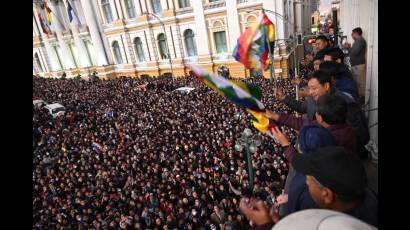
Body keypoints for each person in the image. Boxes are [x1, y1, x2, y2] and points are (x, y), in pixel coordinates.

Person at [239, 146, 378, 229]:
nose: (306, 183)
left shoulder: (340, 226)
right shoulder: (367, 203)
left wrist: (266, 226)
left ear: (327, 195)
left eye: (309, 180)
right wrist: (281, 222)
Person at [343, 27, 367, 102]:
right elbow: (354, 51)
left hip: (358, 65)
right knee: (356, 82)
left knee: (360, 83)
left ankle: (361, 98)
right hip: (356, 65)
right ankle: (358, 97)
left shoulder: (360, 41)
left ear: (356, 33)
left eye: (352, 34)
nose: (351, 35)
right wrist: (350, 47)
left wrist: (348, 47)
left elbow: (355, 52)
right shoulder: (357, 41)